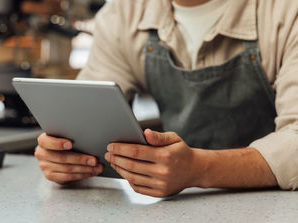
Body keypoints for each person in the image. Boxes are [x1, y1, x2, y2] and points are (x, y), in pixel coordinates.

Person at [35, 0, 298, 197]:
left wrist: (199, 169)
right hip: (179, 210)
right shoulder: (122, 16)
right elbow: (84, 114)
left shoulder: (286, 11)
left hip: (278, 210)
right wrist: (66, 154)